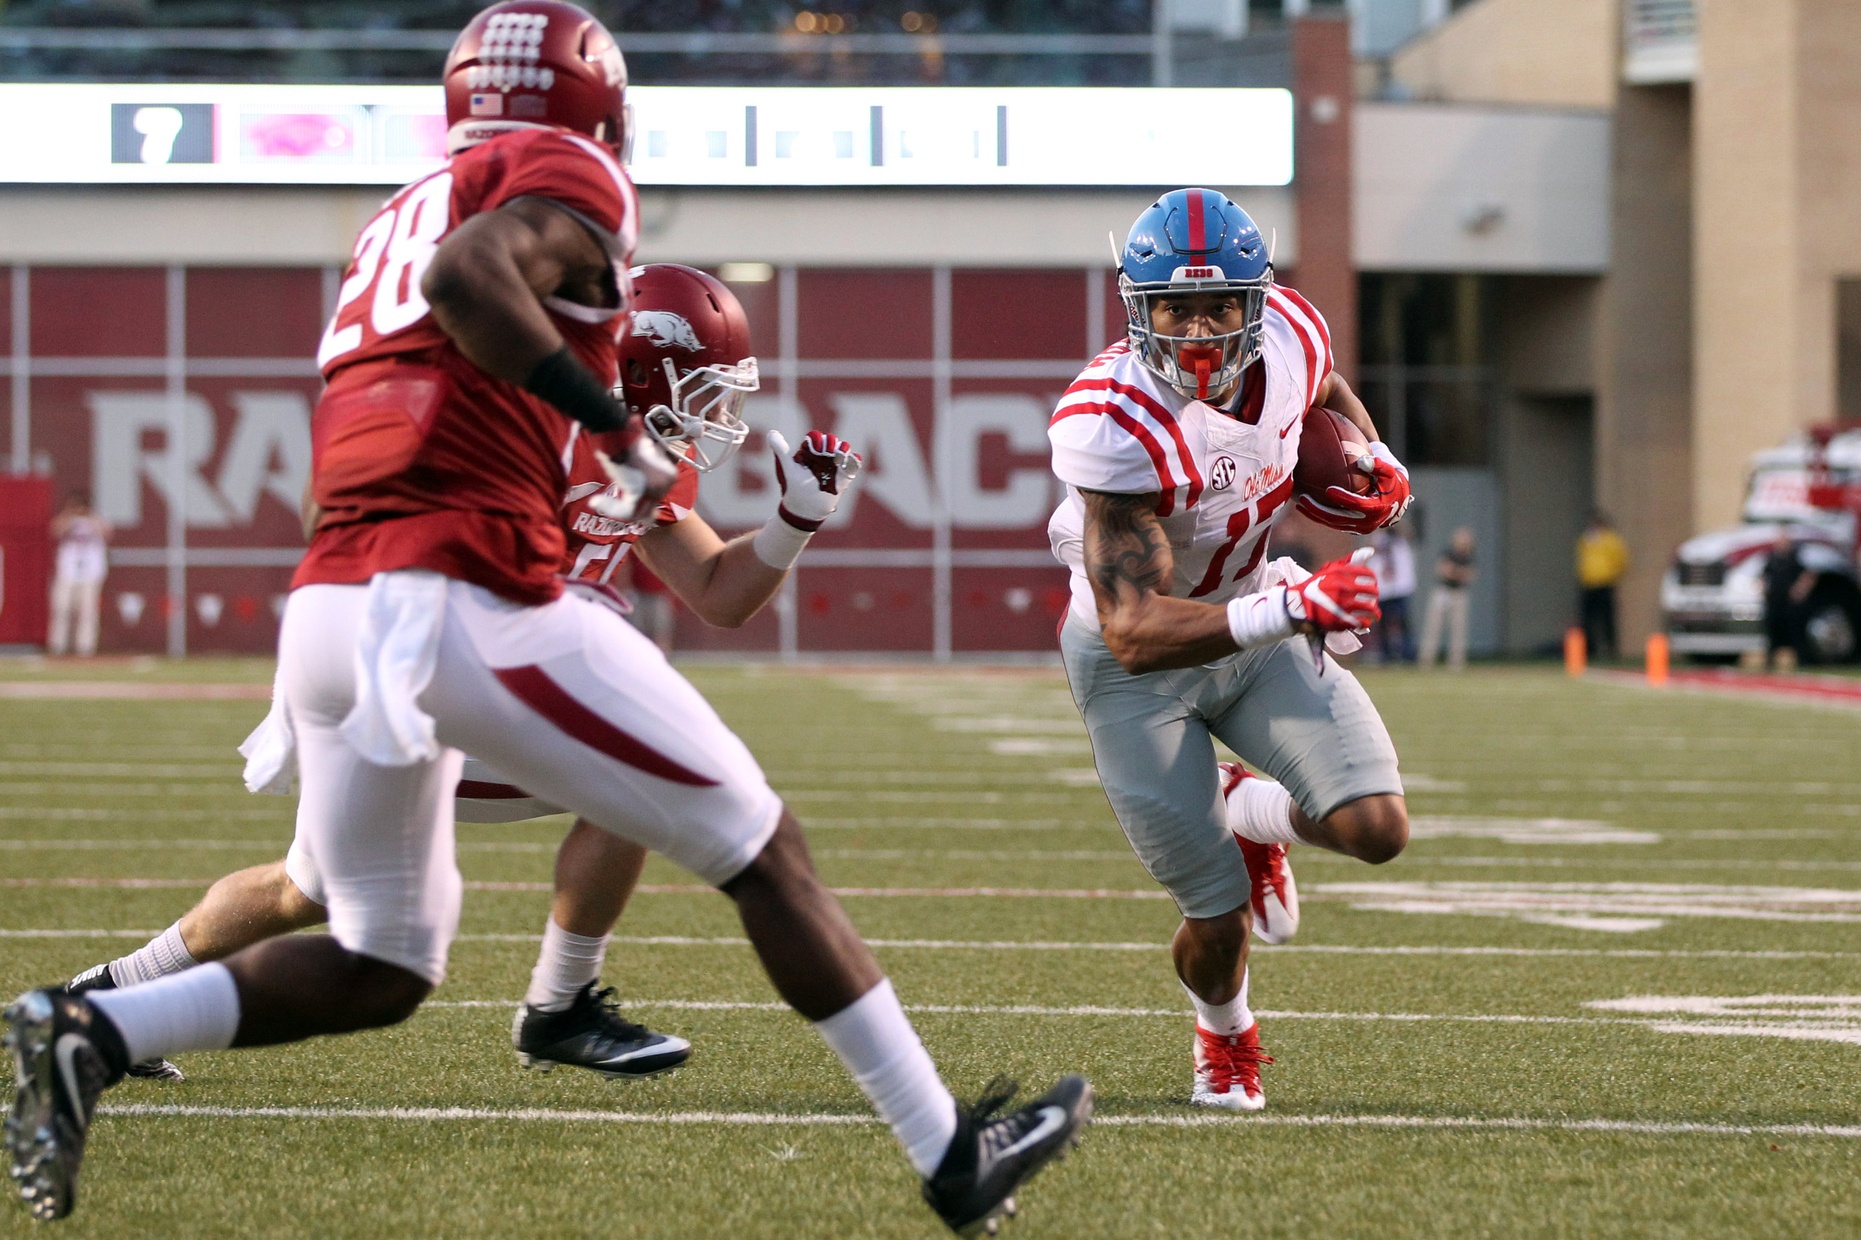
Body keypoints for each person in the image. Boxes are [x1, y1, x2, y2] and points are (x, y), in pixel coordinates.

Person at [3, 5, 1089, 1231]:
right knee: (762, 847)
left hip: (337, 605)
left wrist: (750, 508)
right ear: (597, 106)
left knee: (384, 958)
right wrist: (611, 422)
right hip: (462, 592)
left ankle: (87, 1024)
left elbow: (426, 360)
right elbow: (469, 279)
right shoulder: (558, 179)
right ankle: (951, 1153)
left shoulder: (396, 211)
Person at [62, 263, 776, 1087]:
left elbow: (718, 594)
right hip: (401, 677)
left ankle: (108, 1000)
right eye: (704, 389)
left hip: (476, 682)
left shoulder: (640, 459)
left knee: (308, 889)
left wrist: (794, 525)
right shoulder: (526, 426)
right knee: (637, 774)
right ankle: (559, 1006)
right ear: (642, 373)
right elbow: (344, 510)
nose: (720, 416)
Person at [1047, 188, 1411, 1114]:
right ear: (1138, 310)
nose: (1198, 328)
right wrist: (1294, 608)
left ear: (1257, 302)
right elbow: (1135, 632)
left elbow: (1324, 391)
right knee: (1213, 919)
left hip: (1253, 611)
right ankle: (1225, 1037)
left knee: (1377, 829)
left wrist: (1373, 454)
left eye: (1219, 306)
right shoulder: (1112, 421)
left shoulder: (1291, 333)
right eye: (1174, 306)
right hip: (1139, 667)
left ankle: (1253, 817)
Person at [47, 493, 110, 657]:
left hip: (90, 573)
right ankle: (57, 646)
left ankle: (85, 648)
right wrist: (70, 514)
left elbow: (106, 532)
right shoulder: (67, 520)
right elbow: (55, 530)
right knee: (61, 608)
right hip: (67, 572)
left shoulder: (95, 520)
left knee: (88, 612)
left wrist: (89, 516)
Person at [1418, 527, 1476, 670]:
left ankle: (1456, 662)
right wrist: (1458, 573)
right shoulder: (1448, 553)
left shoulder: (1468, 557)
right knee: (1433, 627)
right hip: (1443, 592)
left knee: (1458, 629)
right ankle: (1426, 660)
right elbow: (1443, 571)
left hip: (1458, 593)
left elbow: (1470, 575)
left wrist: (1455, 572)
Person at [1575, 510, 1629, 661]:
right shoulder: (1586, 539)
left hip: (1605, 583)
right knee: (1587, 618)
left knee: (1607, 618)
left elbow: (1620, 560)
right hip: (1589, 583)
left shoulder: (1611, 540)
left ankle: (1610, 649)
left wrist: (1612, 575)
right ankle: (1588, 649)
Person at [1761, 527, 1815, 670]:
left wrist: (1800, 590)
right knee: (1772, 633)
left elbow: (1809, 574)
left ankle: (1802, 660)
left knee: (1795, 632)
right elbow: (1762, 576)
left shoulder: (1796, 557)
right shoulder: (1771, 558)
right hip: (1774, 601)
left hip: (1790, 603)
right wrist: (1763, 588)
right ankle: (1770, 662)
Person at [1368, 526, 1416, 663]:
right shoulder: (1378, 538)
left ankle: (1408, 654)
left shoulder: (1400, 538)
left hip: (1400, 586)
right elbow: (1371, 548)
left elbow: (1409, 533)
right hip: (1383, 587)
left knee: (1403, 621)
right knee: (1382, 623)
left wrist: (1395, 526)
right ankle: (1386, 655)